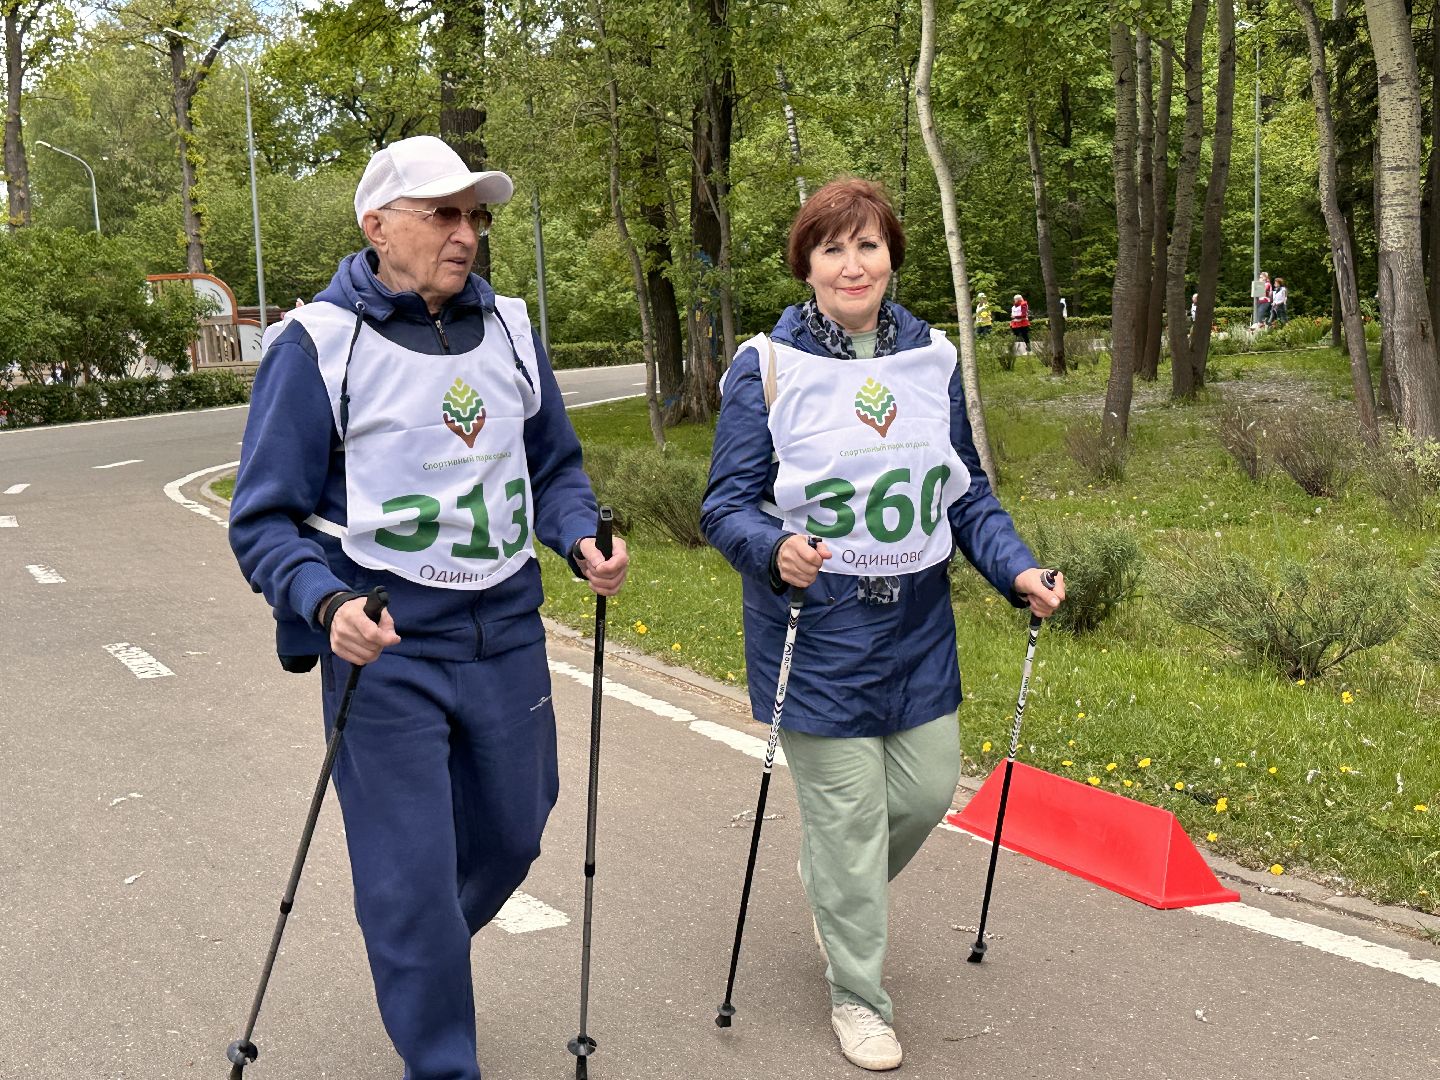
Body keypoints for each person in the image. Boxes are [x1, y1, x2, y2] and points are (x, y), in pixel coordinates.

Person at [228, 134, 629, 1080]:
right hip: (387, 647)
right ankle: (440, 1048)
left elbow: (554, 468)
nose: (466, 234)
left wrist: (579, 534)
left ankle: (419, 952)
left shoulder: (513, 331)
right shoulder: (317, 344)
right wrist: (323, 605)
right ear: (378, 226)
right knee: (409, 881)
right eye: (442, 214)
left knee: (516, 832)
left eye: (476, 216)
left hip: (507, 636)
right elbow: (263, 521)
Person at [700, 177, 1064, 1073]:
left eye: (867, 246)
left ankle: (835, 890)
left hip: (917, 624)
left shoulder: (929, 358)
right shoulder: (767, 367)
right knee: (852, 819)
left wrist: (1016, 568)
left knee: (927, 791)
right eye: (832, 249)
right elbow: (726, 505)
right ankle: (858, 994)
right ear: (808, 266)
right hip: (817, 628)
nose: (852, 265)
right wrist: (774, 551)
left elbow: (965, 491)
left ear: (892, 255)